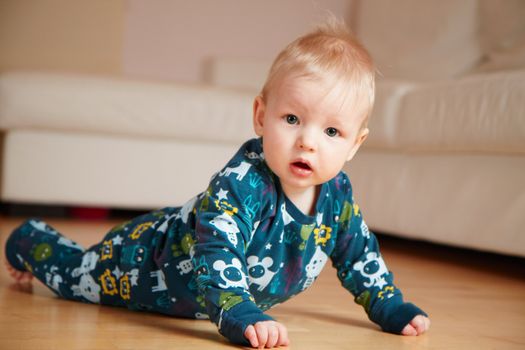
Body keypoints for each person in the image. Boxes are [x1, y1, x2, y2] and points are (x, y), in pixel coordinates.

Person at [4, 18, 430, 348]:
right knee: (79, 278)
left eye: (331, 132)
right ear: (261, 116)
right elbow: (217, 250)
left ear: (355, 145)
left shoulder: (337, 197)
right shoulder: (242, 183)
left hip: (198, 293)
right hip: (145, 260)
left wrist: (387, 305)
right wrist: (237, 311)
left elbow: (358, 254)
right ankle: (28, 240)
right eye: (292, 119)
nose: (307, 142)